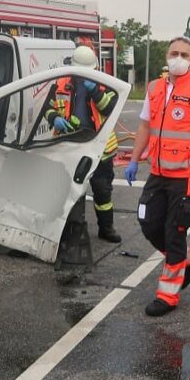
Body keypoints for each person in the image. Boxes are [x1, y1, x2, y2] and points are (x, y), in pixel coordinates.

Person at [125, 37, 190, 317]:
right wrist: (134, 159)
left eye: (184, 54)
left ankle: (167, 295)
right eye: (174, 53)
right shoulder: (155, 88)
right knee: (148, 223)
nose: (178, 57)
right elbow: (145, 125)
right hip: (158, 172)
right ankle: (188, 257)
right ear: (166, 56)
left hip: (187, 175)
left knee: (174, 232)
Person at [44, 45, 121, 242]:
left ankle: (107, 228)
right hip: (69, 144)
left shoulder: (106, 84)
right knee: (64, 190)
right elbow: (47, 107)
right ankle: (64, 230)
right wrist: (54, 119)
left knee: (102, 191)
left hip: (99, 147)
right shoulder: (61, 82)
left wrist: (95, 91)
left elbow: (110, 110)